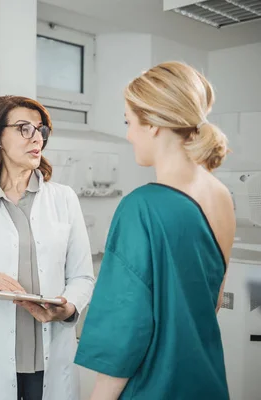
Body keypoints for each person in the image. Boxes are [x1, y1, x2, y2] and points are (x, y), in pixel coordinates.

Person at [74, 61, 235, 400]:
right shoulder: (221, 196)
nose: (129, 134)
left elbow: (123, 333)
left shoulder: (142, 207)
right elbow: (214, 300)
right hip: (205, 383)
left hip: (154, 389)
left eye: (129, 122)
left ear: (153, 125)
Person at [0, 95, 95, 400]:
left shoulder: (64, 199)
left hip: (50, 356)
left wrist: (67, 306)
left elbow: (83, 277)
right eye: (24, 128)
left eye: (41, 130)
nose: (37, 137)